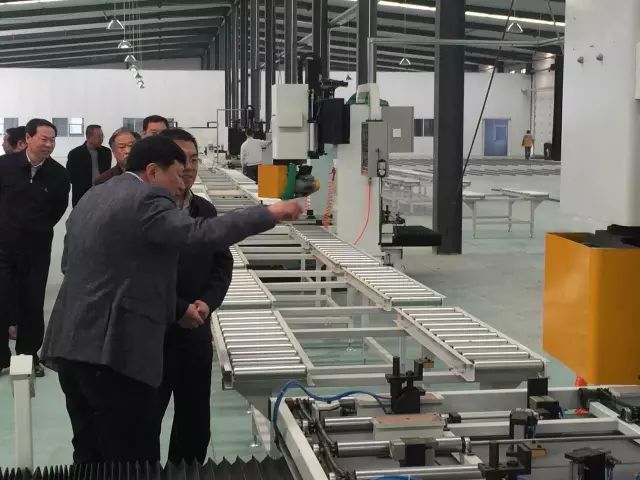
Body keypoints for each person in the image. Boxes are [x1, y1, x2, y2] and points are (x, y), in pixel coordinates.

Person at [41, 135, 302, 464]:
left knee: (90, 453)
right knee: (132, 458)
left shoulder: (96, 194)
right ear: (152, 171)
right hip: (112, 355)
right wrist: (271, 213)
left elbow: (70, 264)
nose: (182, 182)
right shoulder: (146, 198)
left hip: (71, 347)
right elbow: (199, 234)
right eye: (177, 174)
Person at [157, 128, 232, 463]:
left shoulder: (205, 210)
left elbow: (222, 264)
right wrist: (178, 309)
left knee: (194, 425)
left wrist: (207, 303)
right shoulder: (141, 211)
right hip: (151, 335)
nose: (188, 167)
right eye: (180, 159)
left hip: (195, 333)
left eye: (194, 159)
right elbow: (133, 277)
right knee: (142, 423)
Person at [0, 118, 70, 376]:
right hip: (3, 248)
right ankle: (1, 357)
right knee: (2, 299)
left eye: (52, 140)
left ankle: (29, 356)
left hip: (36, 249)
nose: (49, 144)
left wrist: (36, 228)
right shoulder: (4, 165)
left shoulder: (59, 174)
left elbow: (57, 209)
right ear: (28, 138)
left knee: (32, 301)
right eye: (44, 139)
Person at [66, 125, 111, 206]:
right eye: (99, 136)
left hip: (102, 194)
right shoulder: (75, 154)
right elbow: (70, 176)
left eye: (102, 135)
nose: (102, 138)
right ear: (89, 137)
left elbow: (107, 173)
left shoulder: (106, 152)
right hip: (82, 196)